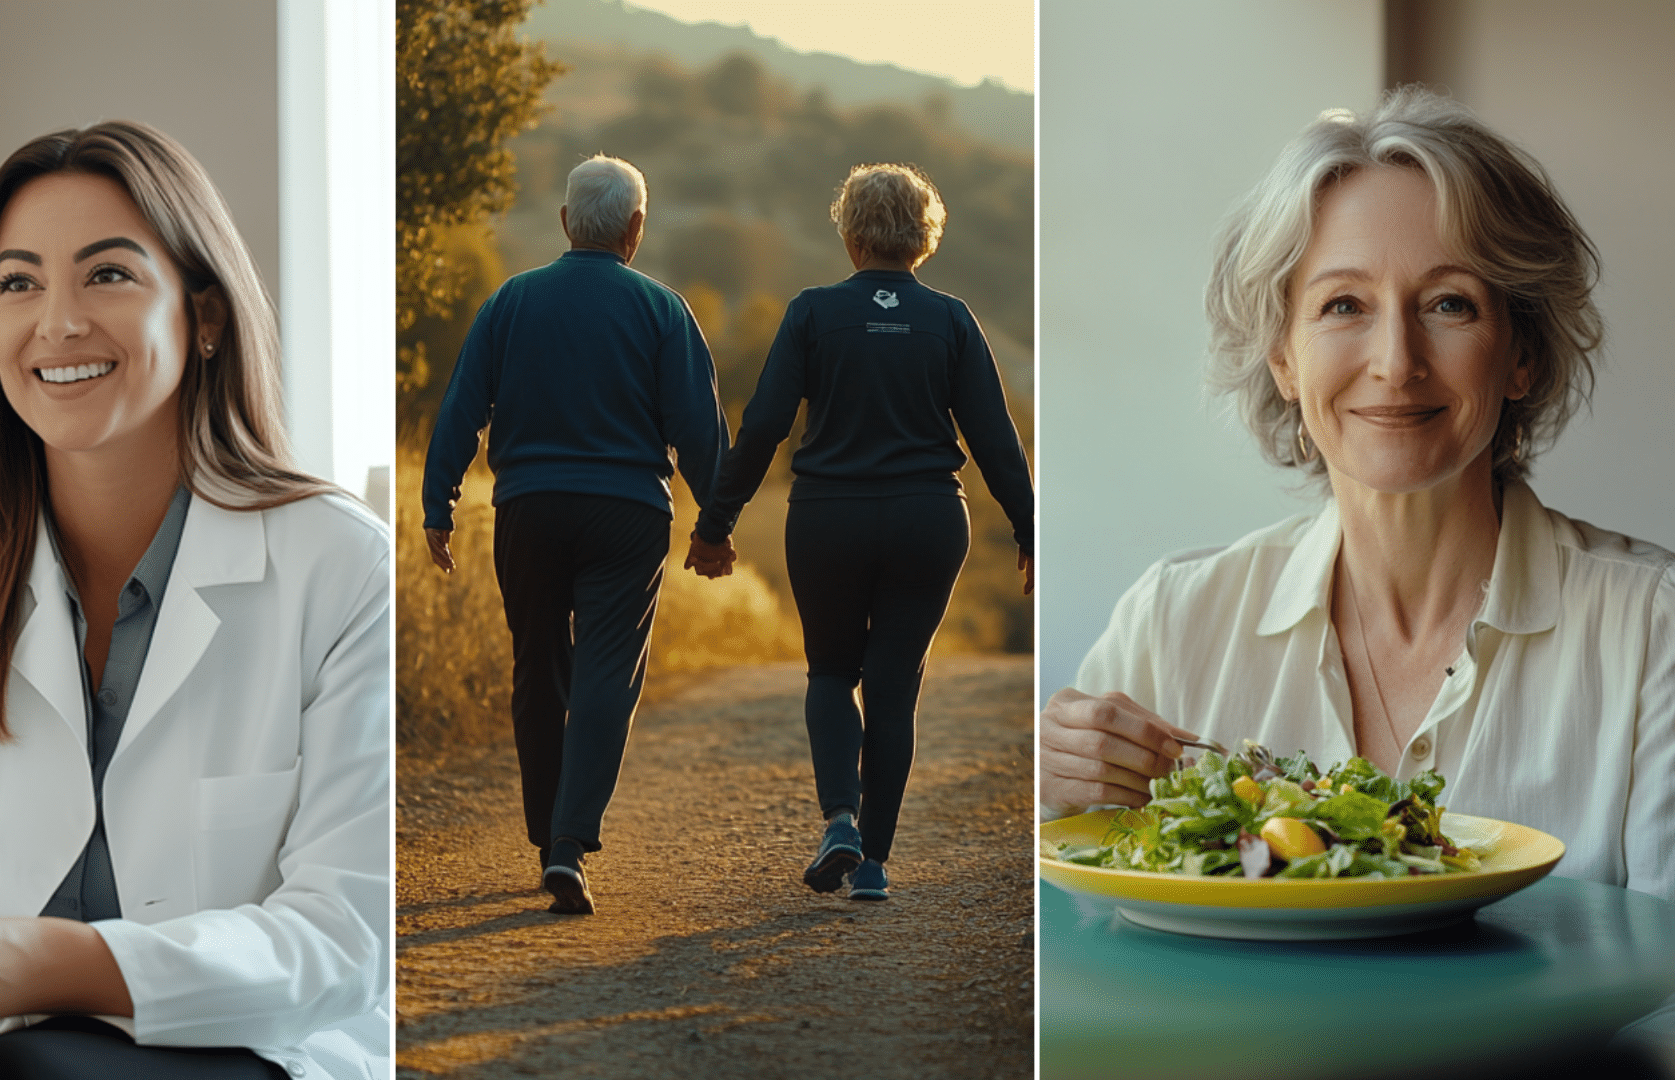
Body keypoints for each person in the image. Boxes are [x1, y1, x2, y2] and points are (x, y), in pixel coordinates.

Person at [0, 122, 389, 1080]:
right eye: (18, 282)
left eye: (107, 275)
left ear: (204, 316)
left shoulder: (342, 567)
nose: (57, 322)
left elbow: (349, 934)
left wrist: (33, 964)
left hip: (257, 1048)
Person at [1038, 88, 1675, 899]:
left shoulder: (1656, 636)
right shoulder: (1169, 625)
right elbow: (1077, 944)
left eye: (1450, 303)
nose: (1395, 360)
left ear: (1522, 353)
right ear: (1284, 360)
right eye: (1344, 305)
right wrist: (1053, 801)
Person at [692, 163, 1034, 903]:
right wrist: (1031, 533)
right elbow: (996, 441)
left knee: (829, 672)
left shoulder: (813, 312)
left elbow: (763, 428)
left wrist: (715, 523)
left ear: (850, 237)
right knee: (892, 689)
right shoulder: (951, 319)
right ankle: (873, 865)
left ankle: (840, 820)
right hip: (927, 520)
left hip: (829, 519)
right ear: (923, 238)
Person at [421, 155, 731, 916]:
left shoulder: (510, 302)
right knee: (605, 673)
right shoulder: (663, 310)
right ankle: (568, 844)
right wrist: (715, 526)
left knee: (539, 666)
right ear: (636, 228)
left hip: (528, 508)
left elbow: (462, 409)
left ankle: (542, 836)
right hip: (628, 515)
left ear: (565, 223)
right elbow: (700, 430)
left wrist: (439, 506)